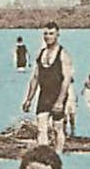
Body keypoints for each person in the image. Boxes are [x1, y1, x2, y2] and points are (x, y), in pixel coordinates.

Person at [21, 22, 73, 150]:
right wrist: (28, 99)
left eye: (51, 34)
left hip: (58, 94)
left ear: (57, 35)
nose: (48, 36)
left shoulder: (63, 54)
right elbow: (35, 78)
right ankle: (43, 156)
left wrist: (60, 101)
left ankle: (58, 155)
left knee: (57, 128)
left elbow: (66, 80)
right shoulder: (41, 53)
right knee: (41, 127)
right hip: (44, 95)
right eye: (45, 34)